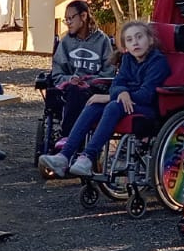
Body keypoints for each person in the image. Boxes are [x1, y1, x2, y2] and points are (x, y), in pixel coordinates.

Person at [38, 20, 170, 179]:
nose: (135, 42)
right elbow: (117, 83)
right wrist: (120, 93)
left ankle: (88, 157)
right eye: (129, 40)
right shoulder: (128, 60)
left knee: (112, 106)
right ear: (125, 46)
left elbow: (146, 95)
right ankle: (64, 157)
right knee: (94, 104)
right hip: (124, 104)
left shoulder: (158, 62)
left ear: (150, 40)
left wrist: (114, 96)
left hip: (148, 108)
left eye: (139, 37)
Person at [49, 0, 114, 138]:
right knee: (74, 91)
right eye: (66, 20)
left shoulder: (102, 41)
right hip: (69, 89)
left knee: (80, 93)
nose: (68, 23)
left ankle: (68, 141)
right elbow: (57, 72)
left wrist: (89, 82)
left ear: (83, 16)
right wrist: (69, 79)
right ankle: (68, 139)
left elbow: (109, 73)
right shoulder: (66, 42)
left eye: (71, 18)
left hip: (93, 89)